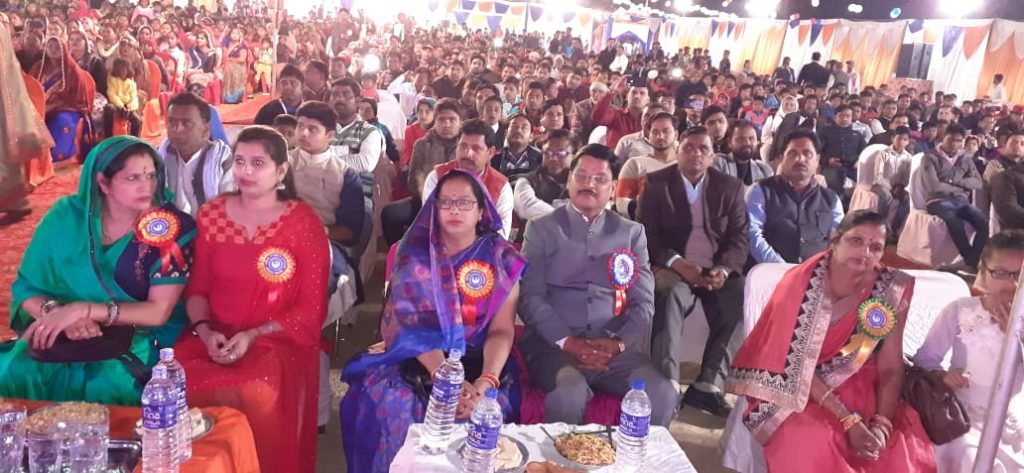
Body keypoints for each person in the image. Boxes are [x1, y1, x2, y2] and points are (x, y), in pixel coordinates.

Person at [341, 169, 526, 473]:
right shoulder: (415, 253)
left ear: (481, 211)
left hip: (482, 360)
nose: (454, 209)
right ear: (434, 208)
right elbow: (410, 327)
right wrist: (447, 381)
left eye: (464, 202)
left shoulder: (501, 257)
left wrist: (485, 382)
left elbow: (502, 329)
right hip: (422, 356)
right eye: (446, 202)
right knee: (395, 403)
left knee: (490, 410)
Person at [728, 210, 935, 472]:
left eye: (875, 248)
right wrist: (848, 420)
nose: (865, 253)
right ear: (835, 238)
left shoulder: (891, 287)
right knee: (812, 440)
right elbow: (793, 367)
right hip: (799, 390)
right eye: (856, 241)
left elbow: (891, 367)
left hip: (864, 385)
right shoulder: (799, 284)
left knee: (896, 446)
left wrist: (881, 425)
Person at [175, 126, 329, 473]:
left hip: (277, 340)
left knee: (255, 390)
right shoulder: (212, 215)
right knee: (177, 380)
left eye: (258, 163)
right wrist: (205, 332)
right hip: (215, 337)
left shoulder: (302, 223)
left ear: (281, 170)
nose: (245, 171)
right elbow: (197, 290)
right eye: (240, 161)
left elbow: (311, 309)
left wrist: (253, 335)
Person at [0, 136, 195, 404]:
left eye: (150, 175)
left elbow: (158, 312)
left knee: (109, 384)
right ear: (103, 182)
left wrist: (84, 310)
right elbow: (27, 288)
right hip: (65, 330)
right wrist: (56, 313)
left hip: (139, 335)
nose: (146, 186)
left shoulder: (168, 227)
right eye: (133, 178)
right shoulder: (66, 217)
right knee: (16, 371)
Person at [518, 143, 679, 427]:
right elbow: (530, 297)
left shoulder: (631, 233)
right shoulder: (541, 228)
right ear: (569, 180)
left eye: (600, 178)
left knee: (662, 395)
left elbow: (644, 304)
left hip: (615, 350)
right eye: (581, 175)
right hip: (554, 347)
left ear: (613, 187)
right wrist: (568, 341)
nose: (589, 184)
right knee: (569, 393)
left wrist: (617, 343)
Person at [638, 126, 748, 417]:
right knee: (668, 293)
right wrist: (677, 263)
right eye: (688, 147)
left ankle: (708, 385)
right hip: (672, 266)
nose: (695, 154)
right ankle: (667, 385)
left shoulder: (730, 187)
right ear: (677, 152)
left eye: (703, 149)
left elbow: (739, 237)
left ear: (712, 157)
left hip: (714, 270)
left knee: (741, 294)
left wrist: (723, 269)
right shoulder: (656, 184)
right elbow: (647, 235)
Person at [914, 230, 1024, 472]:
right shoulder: (960, 310)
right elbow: (925, 358)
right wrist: (943, 376)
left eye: (1020, 275)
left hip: (1008, 419)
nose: (1012, 284)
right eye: (1000, 273)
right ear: (983, 271)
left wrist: (1016, 336)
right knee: (973, 461)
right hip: (962, 416)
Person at [748, 129, 843, 265]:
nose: (800, 159)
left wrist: (817, 269)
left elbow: (837, 242)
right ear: (782, 158)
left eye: (807, 154)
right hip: (771, 271)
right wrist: (782, 268)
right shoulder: (761, 191)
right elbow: (753, 233)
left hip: (816, 273)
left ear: (817, 160)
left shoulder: (831, 199)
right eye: (793, 153)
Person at [382, 98, 461, 245]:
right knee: (390, 214)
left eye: (452, 120)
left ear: (460, 122)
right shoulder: (422, 145)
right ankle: (402, 251)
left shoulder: (466, 146)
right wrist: (429, 200)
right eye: (441, 119)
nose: (446, 124)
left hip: (460, 203)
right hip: (426, 199)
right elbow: (414, 180)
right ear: (435, 121)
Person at [422, 119, 513, 238]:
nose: (468, 153)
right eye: (463, 146)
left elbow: (501, 235)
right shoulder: (437, 177)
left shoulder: (501, 187)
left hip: (484, 247)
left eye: (476, 148)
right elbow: (430, 223)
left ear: (490, 152)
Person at [921, 124, 988, 271]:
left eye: (958, 141)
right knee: (954, 220)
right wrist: (961, 188)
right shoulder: (930, 157)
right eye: (951, 140)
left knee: (983, 222)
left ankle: (970, 261)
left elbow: (978, 183)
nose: (954, 144)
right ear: (943, 138)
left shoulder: (965, 158)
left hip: (961, 201)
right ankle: (971, 260)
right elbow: (934, 186)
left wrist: (954, 181)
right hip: (937, 201)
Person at [157, 92, 234, 216]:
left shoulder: (224, 162)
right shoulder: (159, 158)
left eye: (187, 124)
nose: (178, 130)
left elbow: (232, 211)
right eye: (172, 123)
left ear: (205, 130)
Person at [31, 36, 96, 163]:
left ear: (64, 49)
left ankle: (55, 156)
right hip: (39, 106)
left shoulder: (72, 71)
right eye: (50, 47)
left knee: (62, 120)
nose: (53, 50)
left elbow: (75, 98)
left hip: (66, 107)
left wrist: (52, 106)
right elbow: (30, 88)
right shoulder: (38, 68)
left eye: (57, 48)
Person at [615, 111, 679, 218]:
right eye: (655, 132)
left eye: (666, 131)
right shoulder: (635, 164)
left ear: (676, 135)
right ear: (649, 136)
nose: (660, 136)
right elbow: (620, 202)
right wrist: (648, 207)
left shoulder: (687, 166)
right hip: (644, 223)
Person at [513, 128, 574, 221]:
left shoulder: (584, 182)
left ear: (574, 156)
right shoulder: (528, 181)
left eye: (560, 153)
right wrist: (565, 221)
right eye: (548, 152)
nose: (553, 158)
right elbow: (526, 207)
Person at [863, 127, 913, 233]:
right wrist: (891, 189)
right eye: (899, 138)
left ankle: (894, 227)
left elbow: (906, 177)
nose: (901, 142)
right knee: (887, 197)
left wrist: (900, 188)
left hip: (897, 186)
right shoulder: (883, 154)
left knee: (907, 199)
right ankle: (881, 225)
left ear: (908, 142)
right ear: (892, 138)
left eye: (905, 139)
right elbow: (878, 176)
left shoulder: (908, 157)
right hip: (880, 185)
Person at [819, 105, 867, 198]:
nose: (845, 118)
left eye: (848, 116)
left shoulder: (857, 135)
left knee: (864, 186)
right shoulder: (824, 132)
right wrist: (828, 160)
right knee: (834, 183)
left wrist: (859, 161)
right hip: (831, 167)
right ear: (834, 117)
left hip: (853, 168)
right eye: (841, 116)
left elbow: (865, 152)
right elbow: (817, 151)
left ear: (851, 118)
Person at [592, 75, 648, 149]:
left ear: (648, 100)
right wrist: (612, 91)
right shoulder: (615, 114)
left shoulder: (650, 120)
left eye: (642, 93)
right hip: (615, 156)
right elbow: (597, 117)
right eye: (633, 92)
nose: (637, 96)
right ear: (627, 97)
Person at [713, 121, 773, 187]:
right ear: (729, 142)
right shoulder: (719, 163)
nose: (747, 143)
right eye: (741, 139)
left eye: (751, 138)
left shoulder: (764, 170)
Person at [490, 113, 542, 179]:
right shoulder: (493, 158)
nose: (518, 130)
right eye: (513, 126)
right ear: (506, 133)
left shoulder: (541, 159)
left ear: (531, 137)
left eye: (524, 128)